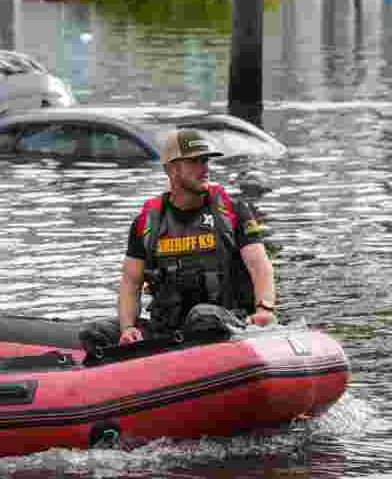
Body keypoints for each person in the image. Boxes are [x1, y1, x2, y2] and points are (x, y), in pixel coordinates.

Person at [79, 128, 277, 353]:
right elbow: (130, 283)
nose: (205, 168)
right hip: (167, 329)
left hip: (223, 321)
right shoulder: (146, 223)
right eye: (195, 162)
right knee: (94, 332)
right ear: (172, 169)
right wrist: (127, 328)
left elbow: (260, 267)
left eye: (206, 161)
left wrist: (264, 309)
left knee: (203, 316)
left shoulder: (233, 212)